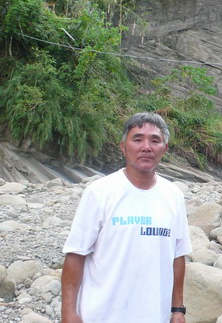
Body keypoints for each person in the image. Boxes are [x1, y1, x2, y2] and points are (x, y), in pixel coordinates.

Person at [61, 112, 192, 323]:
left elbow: (178, 256)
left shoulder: (173, 195)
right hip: (101, 315)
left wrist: (177, 309)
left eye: (155, 140)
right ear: (123, 146)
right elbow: (76, 254)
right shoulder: (100, 192)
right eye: (138, 139)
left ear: (164, 149)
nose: (146, 147)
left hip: (154, 315)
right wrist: (68, 311)